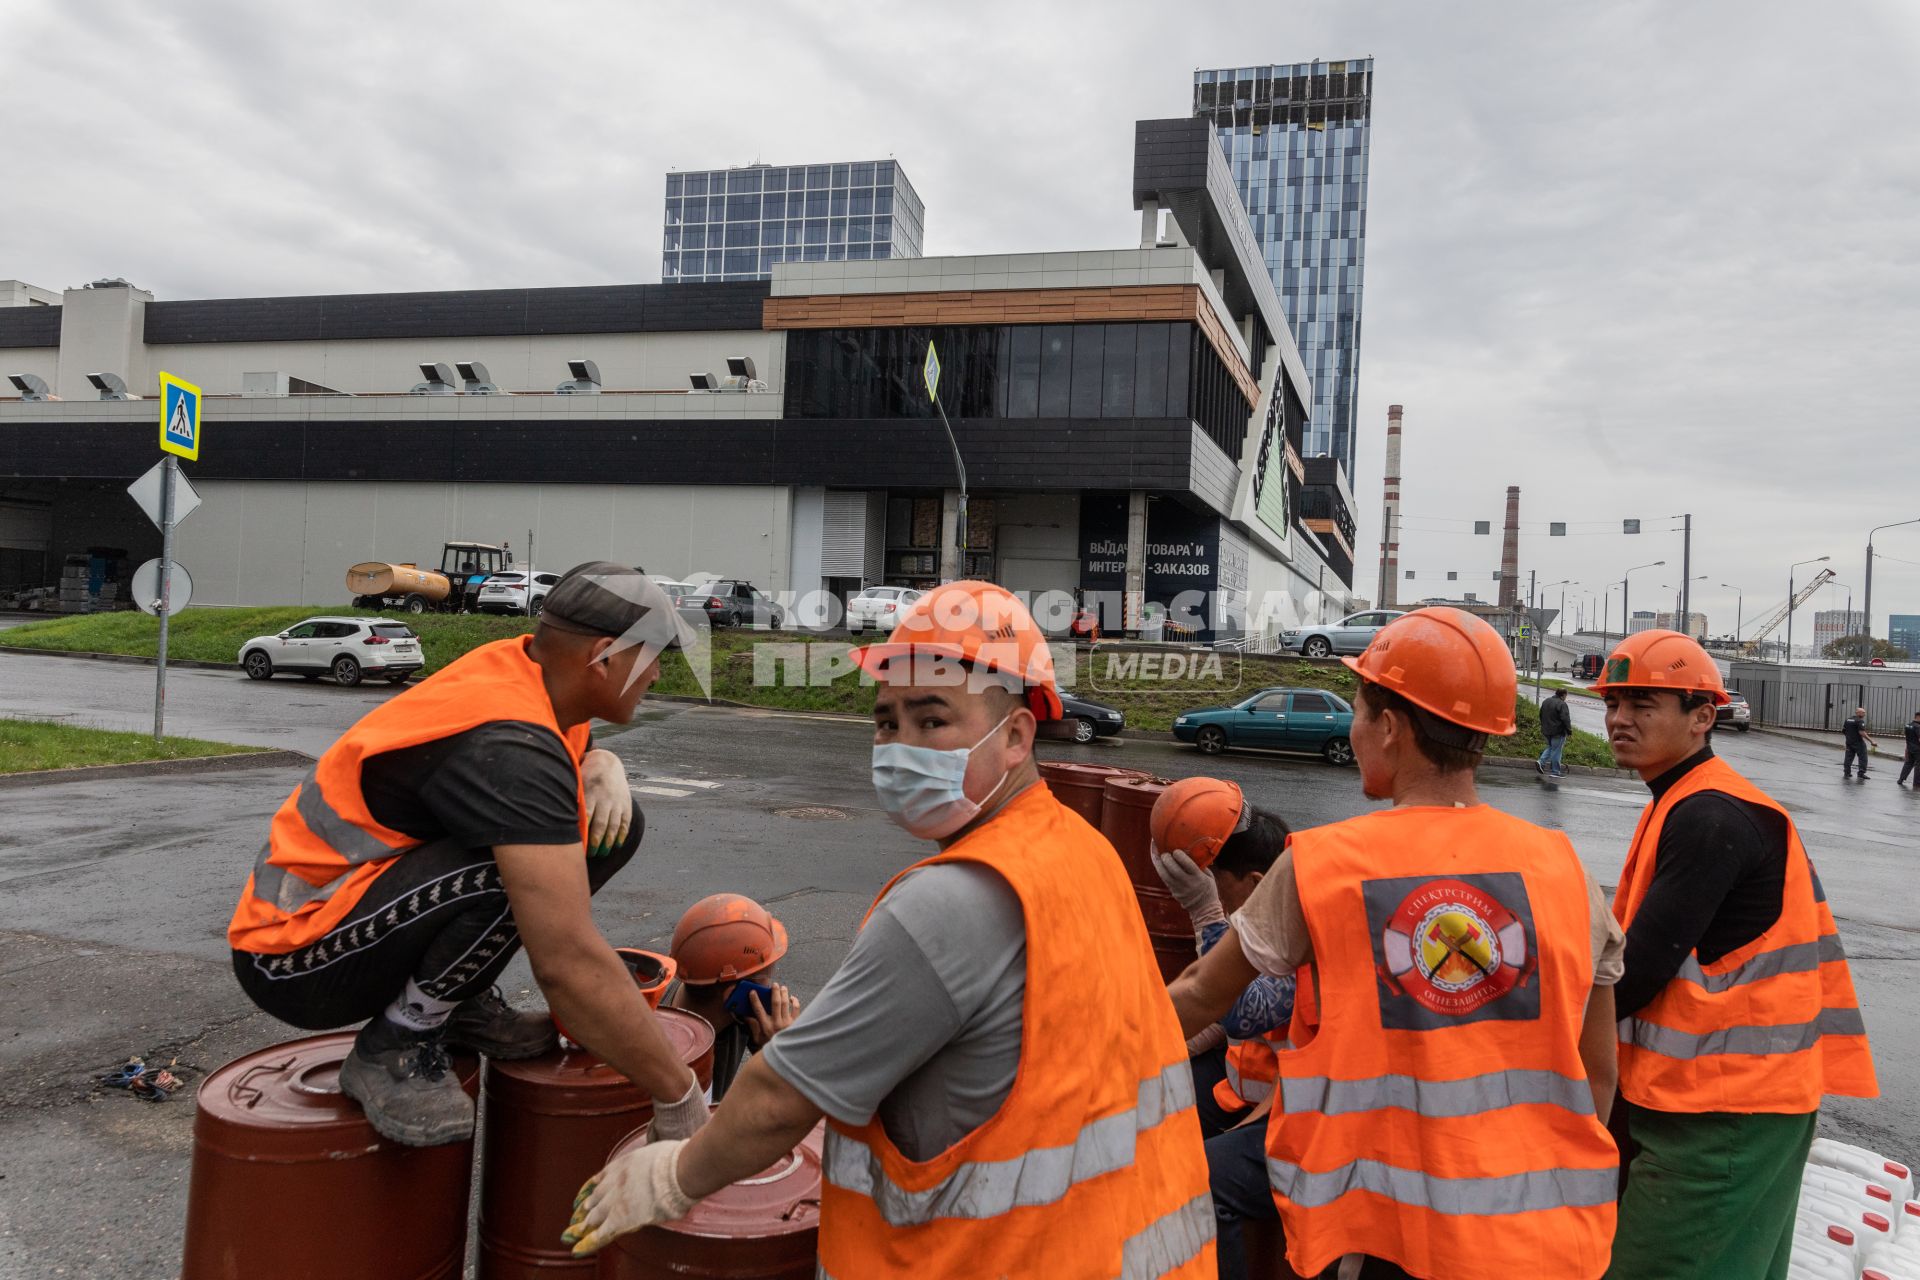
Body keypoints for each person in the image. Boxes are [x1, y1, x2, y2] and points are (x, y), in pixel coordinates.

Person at [567, 580, 1216, 1277]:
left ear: (1018, 735)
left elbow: (781, 1099)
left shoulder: (950, 902)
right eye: (886, 722)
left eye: (932, 721)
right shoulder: (1082, 851)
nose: (901, 745)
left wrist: (673, 1177)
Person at [1166, 607, 1625, 1280]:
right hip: (1538, 1239)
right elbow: (1599, 1074)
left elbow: (1203, 995)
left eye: (1357, 711)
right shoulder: (1565, 869)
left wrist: (1081, 1047)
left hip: (1382, 1233)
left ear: (1390, 725)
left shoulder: (1326, 864)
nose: (1354, 730)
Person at [227, 561, 710, 1148]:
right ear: (605, 656)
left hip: (354, 914)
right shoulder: (509, 744)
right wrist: (679, 1093)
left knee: (609, 825)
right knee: (511, 875)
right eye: (654, 657)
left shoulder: (529, 669)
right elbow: (565, 962)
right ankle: (397, 1043)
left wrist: (604, 763)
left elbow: (541, 763)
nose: (659, 675)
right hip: (294, 958)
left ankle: (454, 1004)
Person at [1594, 630, 1878, 1279]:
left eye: (1642, 704)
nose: (1618, 719)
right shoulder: (1688, 802)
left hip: (1722, 1115)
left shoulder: (1709, 816)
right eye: (1614, 703)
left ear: (1702, 717)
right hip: (1724, 1106)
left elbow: (1633, 973)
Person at [1147, 776, 1296, 1138]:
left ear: (1257, 883)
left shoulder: (1298, 928)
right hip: (1236, 1086)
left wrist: (1205, 911)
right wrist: (1168, 1047)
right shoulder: (1257, 913)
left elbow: (1244, 1011)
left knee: (1197, 1168)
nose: (1211, 892)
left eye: (1215, 881)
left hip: (1284, 1109)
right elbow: (1213, 1014)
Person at [660, 893, 799, 1101]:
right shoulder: (674, 1065)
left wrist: (768, 1045)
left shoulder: (733, 1013)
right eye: (766, 979)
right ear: (735, 994)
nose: (772, 989)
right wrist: (782, 1059)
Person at [1538, 686, 1573, 777]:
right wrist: (1569, 731)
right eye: (1566, 695)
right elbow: (1565, 719)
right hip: (1558, 731)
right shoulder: (1562, 704)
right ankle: (1555, 772)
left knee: (1551, 747)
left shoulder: (1546, 701)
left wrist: (1544, 726)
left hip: (1546, 730)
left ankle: (1540, 762)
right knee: (1556, 751)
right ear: (1564, 695)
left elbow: (1541, 714)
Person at [1843, 706, 1876, 779]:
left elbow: (1844, 730)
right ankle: (1861, 773)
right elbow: (1862, 732)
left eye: (1864, 713)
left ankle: (1847, 772)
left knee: (1848, 757)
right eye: (1863, 712)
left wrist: (1849, 737)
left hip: (1849, 742)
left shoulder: (1848, 720)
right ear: (1857, 713)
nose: (1864, 714)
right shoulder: (1860, 721)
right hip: (1858, 742)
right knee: (1863, 757)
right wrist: (1871, 741)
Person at [1901, 709, 1920, 786]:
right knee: (1918, 765)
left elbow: (1907, 738)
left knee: (1908, 763)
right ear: (1918, 717)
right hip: (1917, 749)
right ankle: (1917, 782)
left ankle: (1901, 779)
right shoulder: (1918, 727)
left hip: (1909, 748)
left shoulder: (1908, 725)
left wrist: (1907, 749)